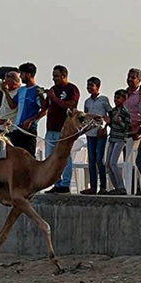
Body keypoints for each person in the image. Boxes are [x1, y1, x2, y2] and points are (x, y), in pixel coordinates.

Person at [45, 65, 81, 194]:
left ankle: (65, 184)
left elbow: (71, 105)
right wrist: (45, 97)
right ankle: (56, 182)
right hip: (51, 128)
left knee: (65, 157)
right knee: (51, 157)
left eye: (56, 76)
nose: (54, 79)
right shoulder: (53, 89)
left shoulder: (72, 89)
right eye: (53, 76)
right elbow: (46, 107)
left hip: (64, 130)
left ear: (64, 76)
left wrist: (55, 98)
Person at [80, 77, 111, 195]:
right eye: (88, 85)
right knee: (91, 160)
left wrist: (105, 126)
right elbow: (86, 116)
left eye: (91, 85)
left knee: (99, 159)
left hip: (100, 133)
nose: (89, 88)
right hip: (90, 133)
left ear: (97, 87)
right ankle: (93, 187)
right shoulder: (87, 102)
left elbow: (109, 115)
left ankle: (103, 187)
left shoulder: (104, 100)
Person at [9, 62, 46, 157]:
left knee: (29, 157)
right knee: (16, 157)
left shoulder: (37, 90)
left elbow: (44, 111)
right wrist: (5, 91)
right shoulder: (21, 90)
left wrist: (30, 120)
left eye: (22, 74)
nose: (20, 76)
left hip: (29, 129)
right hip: (17, 128)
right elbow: (12, 105)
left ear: (29, 75)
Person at [105, 89, 131, 195]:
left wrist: (119, 121)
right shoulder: (113, 111)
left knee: (113, 163)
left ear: (124, 99)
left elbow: (127, 128)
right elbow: (112, 125)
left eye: (118, 98)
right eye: (115, 98)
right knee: (107, 164)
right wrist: (109, 122)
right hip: (112, 138)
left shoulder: (125, 112)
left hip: (120, 139)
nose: (116, 100)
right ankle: (116, 187)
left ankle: (121, 187)